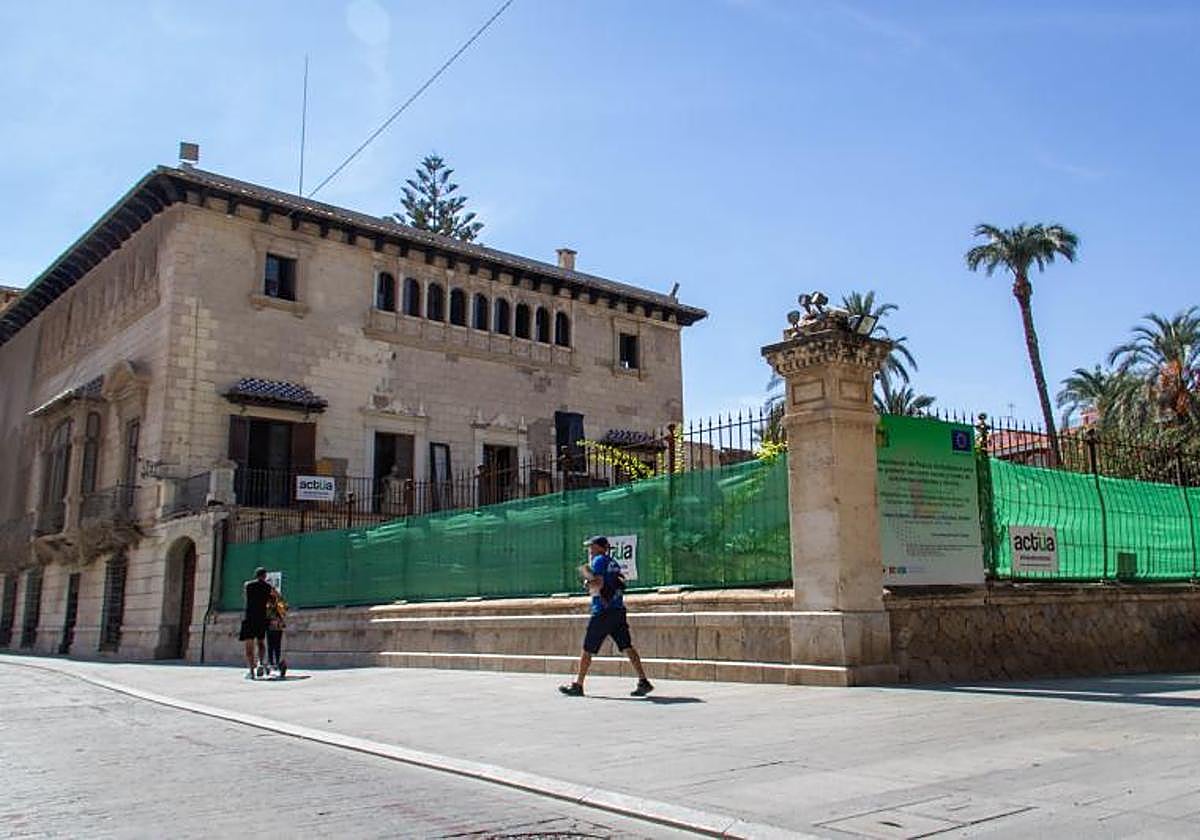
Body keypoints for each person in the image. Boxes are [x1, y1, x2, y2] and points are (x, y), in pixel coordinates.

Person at [559, 535, 653, 698]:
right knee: (627, 646)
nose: (590, 549)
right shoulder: (613, 563)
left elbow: (598, 583)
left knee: (588, 648)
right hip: (617, 609)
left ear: (600, 547)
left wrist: (587, 582)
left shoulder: (599, 561)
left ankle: (578, 685)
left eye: (592, 546)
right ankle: (643, 680)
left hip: (602, 611)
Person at [239, 567, 272, 679]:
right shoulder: (268, 587)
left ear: (256, 575)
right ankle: (261, 663)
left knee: (249, 645)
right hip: (261, 617)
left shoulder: (248, 585)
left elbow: (245, 598)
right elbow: (270, 602)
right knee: (261, 642)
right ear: (265, 576)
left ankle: (251, 670)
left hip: (249, 617)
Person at [264, 587, 288, 678]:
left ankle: (277, 662)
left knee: (277, 645)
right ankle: (271, 663)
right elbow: (266, 613)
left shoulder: (279, 602)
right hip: (269, 626)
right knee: (270, 645)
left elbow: (284, 609)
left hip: (278, 626)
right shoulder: (267, 602)